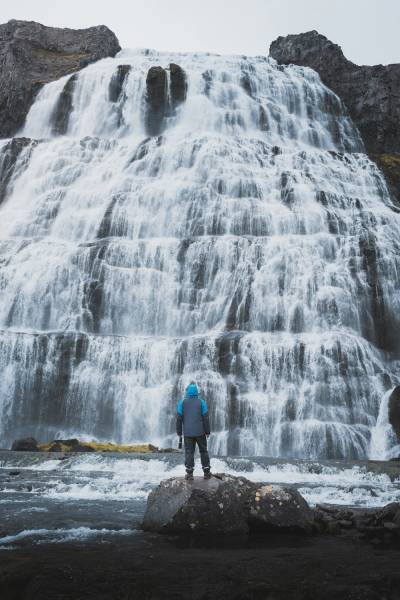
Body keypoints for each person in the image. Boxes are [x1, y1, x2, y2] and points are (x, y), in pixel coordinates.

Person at [176, 382, 211, 481]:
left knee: (189, 452)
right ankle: (207, 472)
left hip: (188, 433)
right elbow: (206, 418)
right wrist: (207, 431)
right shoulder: (202, 402)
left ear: (188, 392)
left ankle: (190, 474)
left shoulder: (182, 403)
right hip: (200, 432)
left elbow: (179, 418)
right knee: (203, 451)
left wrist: (179, 432)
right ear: (197, 392)